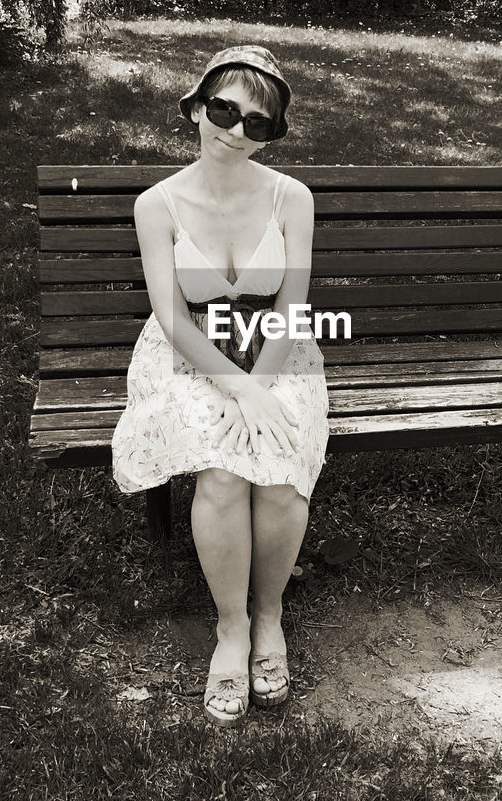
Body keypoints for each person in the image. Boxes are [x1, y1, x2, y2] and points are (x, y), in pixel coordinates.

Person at [110, 45, 330, 728]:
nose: (235, 131)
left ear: (271, 136)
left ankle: (271, 619)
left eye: (257, 124)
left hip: (280, 348)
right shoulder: (159, 204)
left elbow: (294, 309)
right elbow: (171, 314)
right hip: (189, 353)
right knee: (224, 473)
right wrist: (235, 387)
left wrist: (263, 384)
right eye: (224, 111)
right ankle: (231, 630)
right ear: (197, 108)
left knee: (281, 468)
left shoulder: (292, 199)